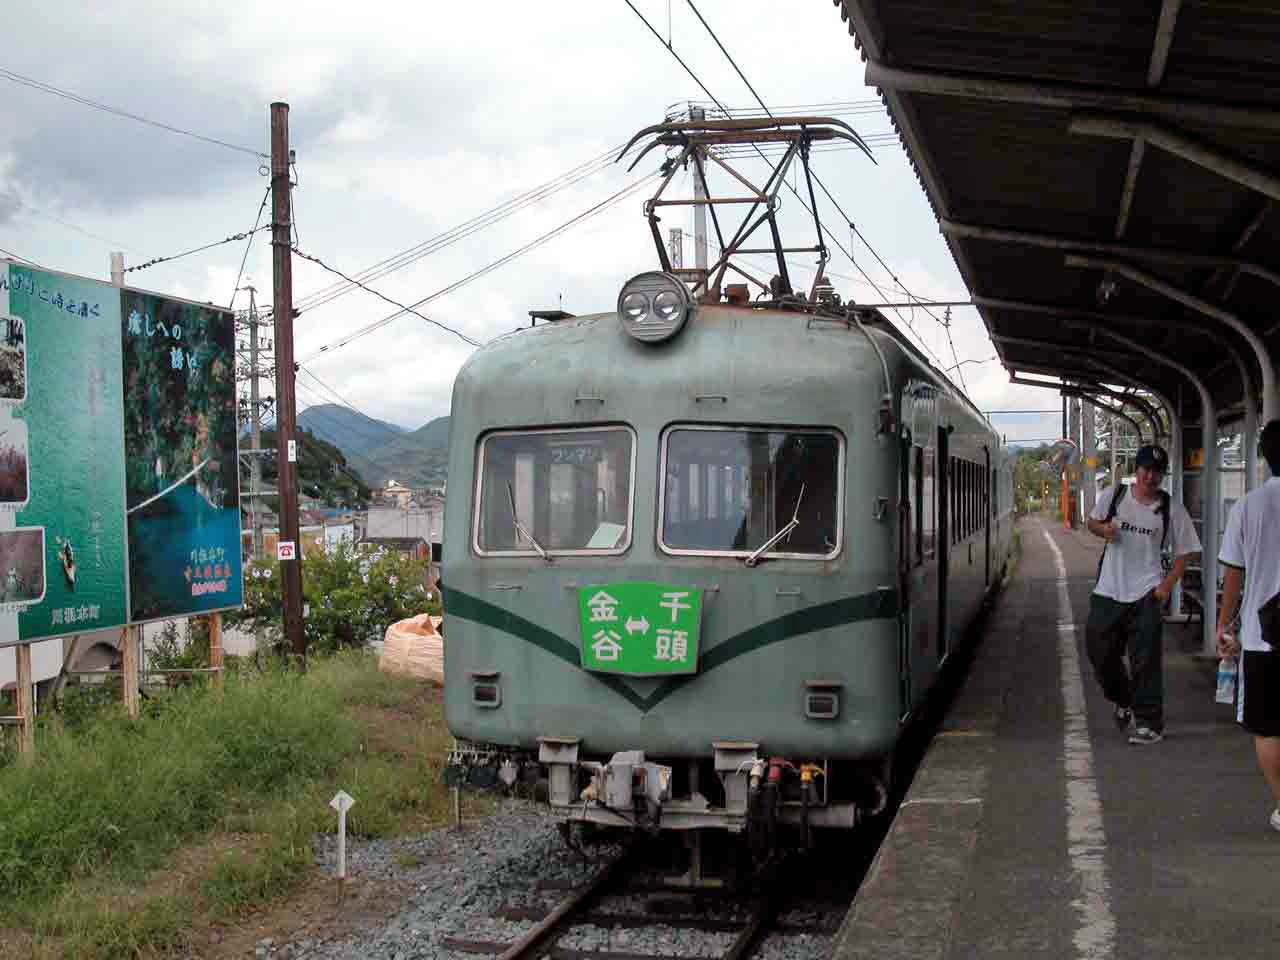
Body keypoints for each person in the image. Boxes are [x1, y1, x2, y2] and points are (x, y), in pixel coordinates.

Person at [1085, 443, 1201, 744]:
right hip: (1108, 590)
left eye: (1157, 472)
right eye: (1146, 469)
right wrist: (1105, 531)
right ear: (1136, 470)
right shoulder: (1115, 495)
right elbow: (1092, 522)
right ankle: (1125, 699)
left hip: (1146, 593)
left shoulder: (1170, 508)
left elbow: (1186, 551)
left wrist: (1165, 587)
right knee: (1100, 654)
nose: (1150, 477)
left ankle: (1150, 724)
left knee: (1145, 661)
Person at [1216, 419, 1280, 833]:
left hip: (1263, 638)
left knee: (1269, 728)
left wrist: (1224, 627)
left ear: (1264, 457)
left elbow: (1233, 576)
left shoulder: (1248, 506)